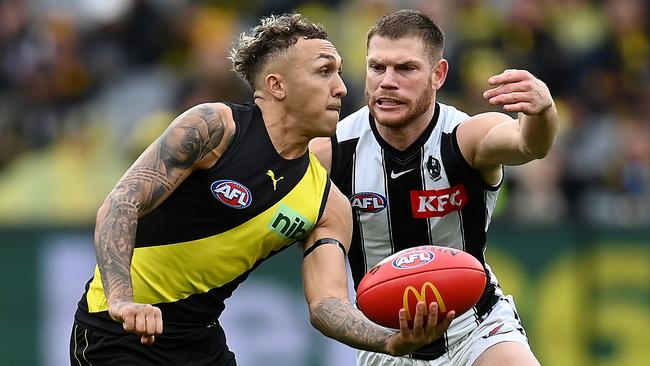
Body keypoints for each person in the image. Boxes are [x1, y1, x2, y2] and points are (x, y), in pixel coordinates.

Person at [69, 12, 453, 366]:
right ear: (277, 85)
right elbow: (120, 205)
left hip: (198, 343)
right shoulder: (214, 129)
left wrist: (391, 341)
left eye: (339, 73)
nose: (340, 88)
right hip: (116, 332)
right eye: (324, 72)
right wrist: (123, 301)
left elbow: (327, 304)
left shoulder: (328, 203)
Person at [310, 9, 558, 366]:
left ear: (438, 74)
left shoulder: (464, 136)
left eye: (406, 69)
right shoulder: (330, 151)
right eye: (377, 67)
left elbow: (528, 144)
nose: (387, 81)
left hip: (475, 330)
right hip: (386, 340)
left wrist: (543, 110)